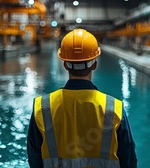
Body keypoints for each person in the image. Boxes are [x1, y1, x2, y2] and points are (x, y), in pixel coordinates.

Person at [26, 29, 137, 168]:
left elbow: (34, 157)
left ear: (65, 65)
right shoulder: (114, 108)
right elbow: (129, 160)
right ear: (95, 65)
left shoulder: (42, 107)